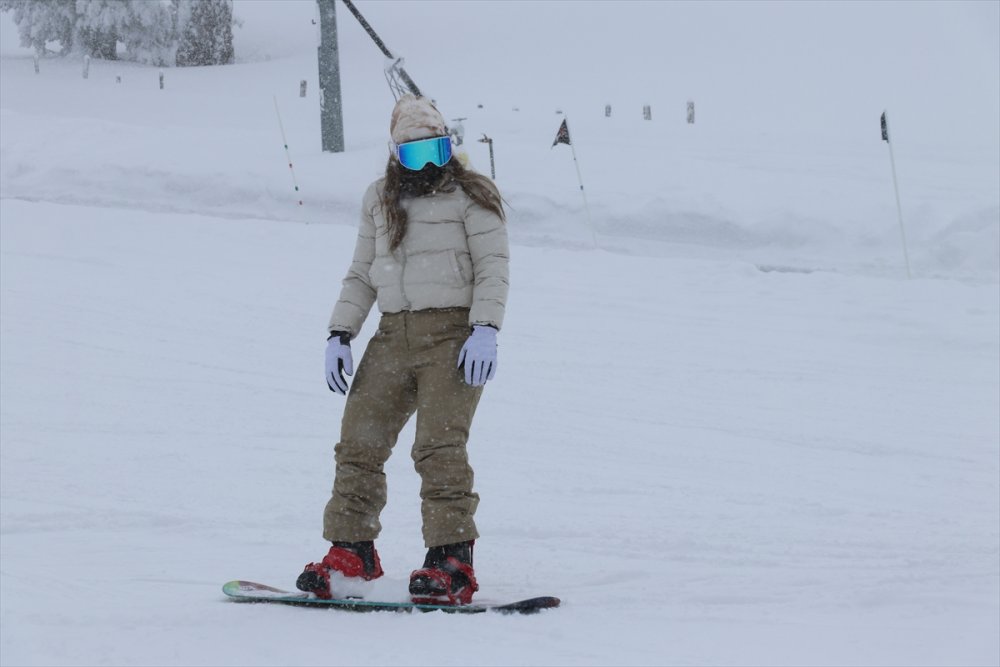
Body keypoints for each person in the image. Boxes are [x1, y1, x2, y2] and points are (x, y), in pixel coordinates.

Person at [296, 95, 509, 606]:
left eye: (437, 151)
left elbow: (493, 268)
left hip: (454, 336)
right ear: (396, 156)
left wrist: (485, 328)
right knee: (359, 444)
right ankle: (352, 552)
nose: (429, 165)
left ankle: (451, 559)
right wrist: (340, 332)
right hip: (393, 333)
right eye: (414, 156)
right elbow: (362, 273)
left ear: (450, 147)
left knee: (438, 447)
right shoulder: (379, 199)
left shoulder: (473, 195)